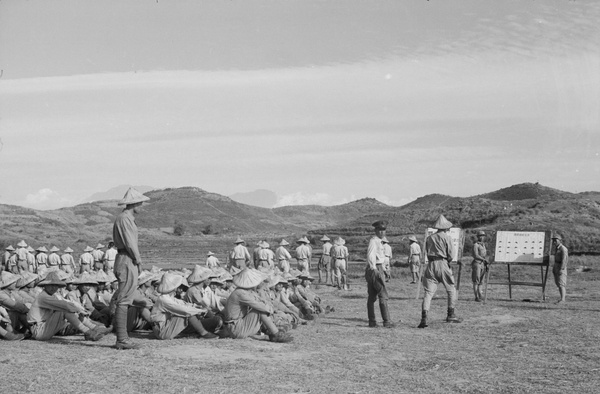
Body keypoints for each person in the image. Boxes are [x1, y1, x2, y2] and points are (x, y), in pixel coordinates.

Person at [111, 187, 149, 350]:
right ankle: (122, 339)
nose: (142, 206)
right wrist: (138, 260)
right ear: (135, 204)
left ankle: (122, 337)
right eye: (141, 203)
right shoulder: (125, 219)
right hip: (127, 259)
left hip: (126, 258)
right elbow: (130, 243)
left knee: (126, 296)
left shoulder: (125, 218)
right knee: (125, 298)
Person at [26, 271, 109, 341]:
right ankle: (89, 331)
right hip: (39, 330)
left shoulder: (53, 295)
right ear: (45, 286)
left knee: (72, 312)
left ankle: (93, 329)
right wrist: (78, 310)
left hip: (46, 327)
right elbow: (64, 305)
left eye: (56, 285)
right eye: (51, 285)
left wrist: (79, 310)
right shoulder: (43, 297)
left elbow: (66, 301)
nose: (53, 288)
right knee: (64, 310)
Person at [221, 268, 293, 342]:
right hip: (236, 328)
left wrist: (267, 306)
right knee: (259, 311)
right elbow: (260, 306)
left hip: (237, 325)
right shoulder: (240, 293)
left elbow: (261, 301)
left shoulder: (245, 291)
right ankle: (276, 334)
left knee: (261, 310)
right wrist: (269, 308)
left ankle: (271, 332)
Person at [418, 214, 461, 328]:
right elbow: (451, 254)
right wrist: (447, 262)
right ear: (446, 227)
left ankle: (424, 317)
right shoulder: (447, 238)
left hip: (431, 264)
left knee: (428, 293)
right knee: (451, 289)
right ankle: (450, 314)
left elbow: (426, 252)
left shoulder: (429, 238)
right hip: (443, 263)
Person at [150, 272, 220, 340]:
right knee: (188, 313)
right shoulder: (164, 300)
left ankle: (200, 330)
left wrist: (195, 307)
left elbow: (183, 303)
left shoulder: (168, 298)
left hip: (164, 327)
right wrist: (200, 311)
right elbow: (183, 310)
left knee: (190, 311)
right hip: (161, 331)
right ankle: (204, 333)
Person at [365, 220, 394, 328]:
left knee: (372, 296)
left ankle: (372, 321)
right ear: (376, 230)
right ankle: (386, 321)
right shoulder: (374, 241)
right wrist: (374, 269)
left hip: (377, 267)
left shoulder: (379, 241)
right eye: (380, 230)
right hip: (375, 268)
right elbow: (371, 255)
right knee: (383, 294)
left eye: (384, 230)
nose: (382, 232)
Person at [471, 231, 488, 302]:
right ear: (478, 237)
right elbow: (476, 255)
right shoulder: (476, 245)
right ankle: (476, 297)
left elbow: (484, 254)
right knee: (476, 281)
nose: (482, 237)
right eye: (480, 236)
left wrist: (485, 262)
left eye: (483, 236)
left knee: (481, 281)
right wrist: (483, 259)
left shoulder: (483, 245)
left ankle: (480, 295)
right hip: (477, 263)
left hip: (482, 264)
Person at [552, 234, 569, 304]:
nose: (554, 242)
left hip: (560, 266)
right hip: (556, 265)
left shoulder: (563, 249)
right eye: (553, 241)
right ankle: (561, 298)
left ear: (560, 241)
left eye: (555, 240)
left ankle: (563, 299)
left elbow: (564, 260)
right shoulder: (557, 248)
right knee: (558, 283)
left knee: (561, 283)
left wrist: (561, 269)